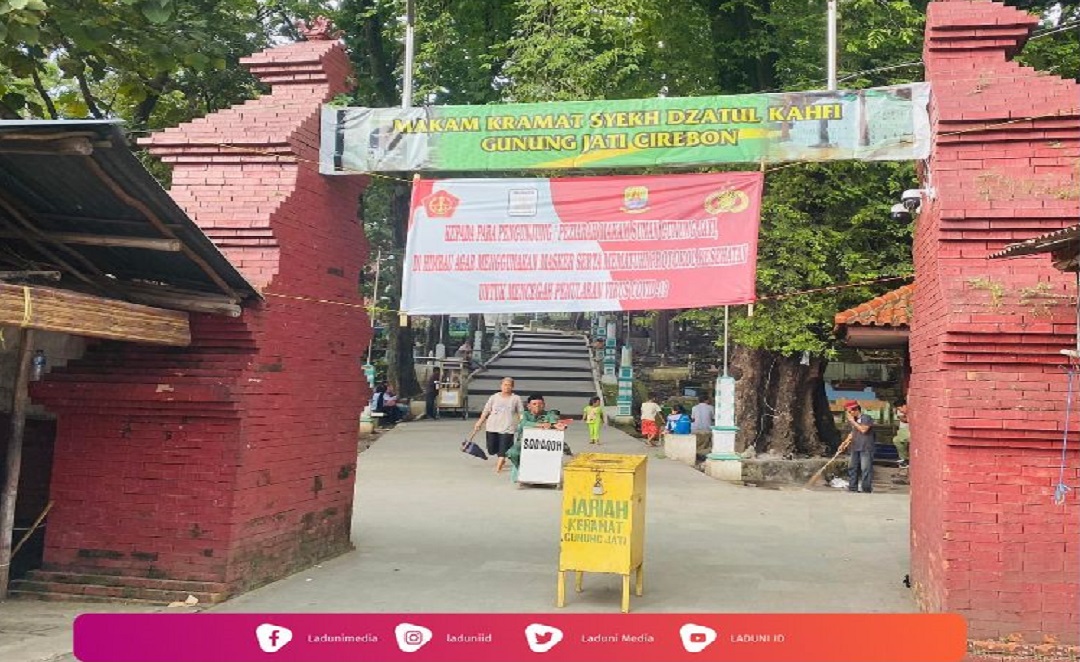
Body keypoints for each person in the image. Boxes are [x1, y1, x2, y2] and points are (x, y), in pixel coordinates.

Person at [506, 394, 568, 483]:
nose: (537, 406)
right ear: (529, 406)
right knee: (513, 453)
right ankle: (519, 468)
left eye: (540, 404)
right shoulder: (524, 414)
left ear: (544, 405)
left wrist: (556, 424)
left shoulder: (549, 414)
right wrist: (540, 425)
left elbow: (553, 419)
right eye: (534, 404)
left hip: (545, 443)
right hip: (524, 442)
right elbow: (524, 423)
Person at [472, 377, 524, 474]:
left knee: (503, 448)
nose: (507, 387)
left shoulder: (516, 398)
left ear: (512, 387)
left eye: (509, 385)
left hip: (508, 427)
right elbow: (486, 410)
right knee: (491, 449)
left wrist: (522, 422)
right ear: (501, 386)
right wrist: (479, 422)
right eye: (505, 385)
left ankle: (499, 465)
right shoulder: (494, 397)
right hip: (492, 426)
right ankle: (501, 456)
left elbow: (521, 412)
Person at [845, 400, 876, 493]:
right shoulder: (854, 421)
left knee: (865, 468)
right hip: (855, 446)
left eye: (849, 411)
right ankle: (852, 487)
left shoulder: (866, 418)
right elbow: (852, 433)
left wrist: (852, 421)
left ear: (855, 410)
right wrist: (844, 443)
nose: (849, 414)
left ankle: (866, 488)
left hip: (866, 447)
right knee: (852, 467)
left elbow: (863, 430)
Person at [894, 399, 910, 469]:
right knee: (896, 440)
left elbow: (905, 420)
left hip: (910, 433)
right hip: (905, 432)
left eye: (899, 409)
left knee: (899, 434)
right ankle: (904, 460)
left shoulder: (911, 411)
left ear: (904, 406)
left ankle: (905, 460)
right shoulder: (905, 413)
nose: (900, 411)